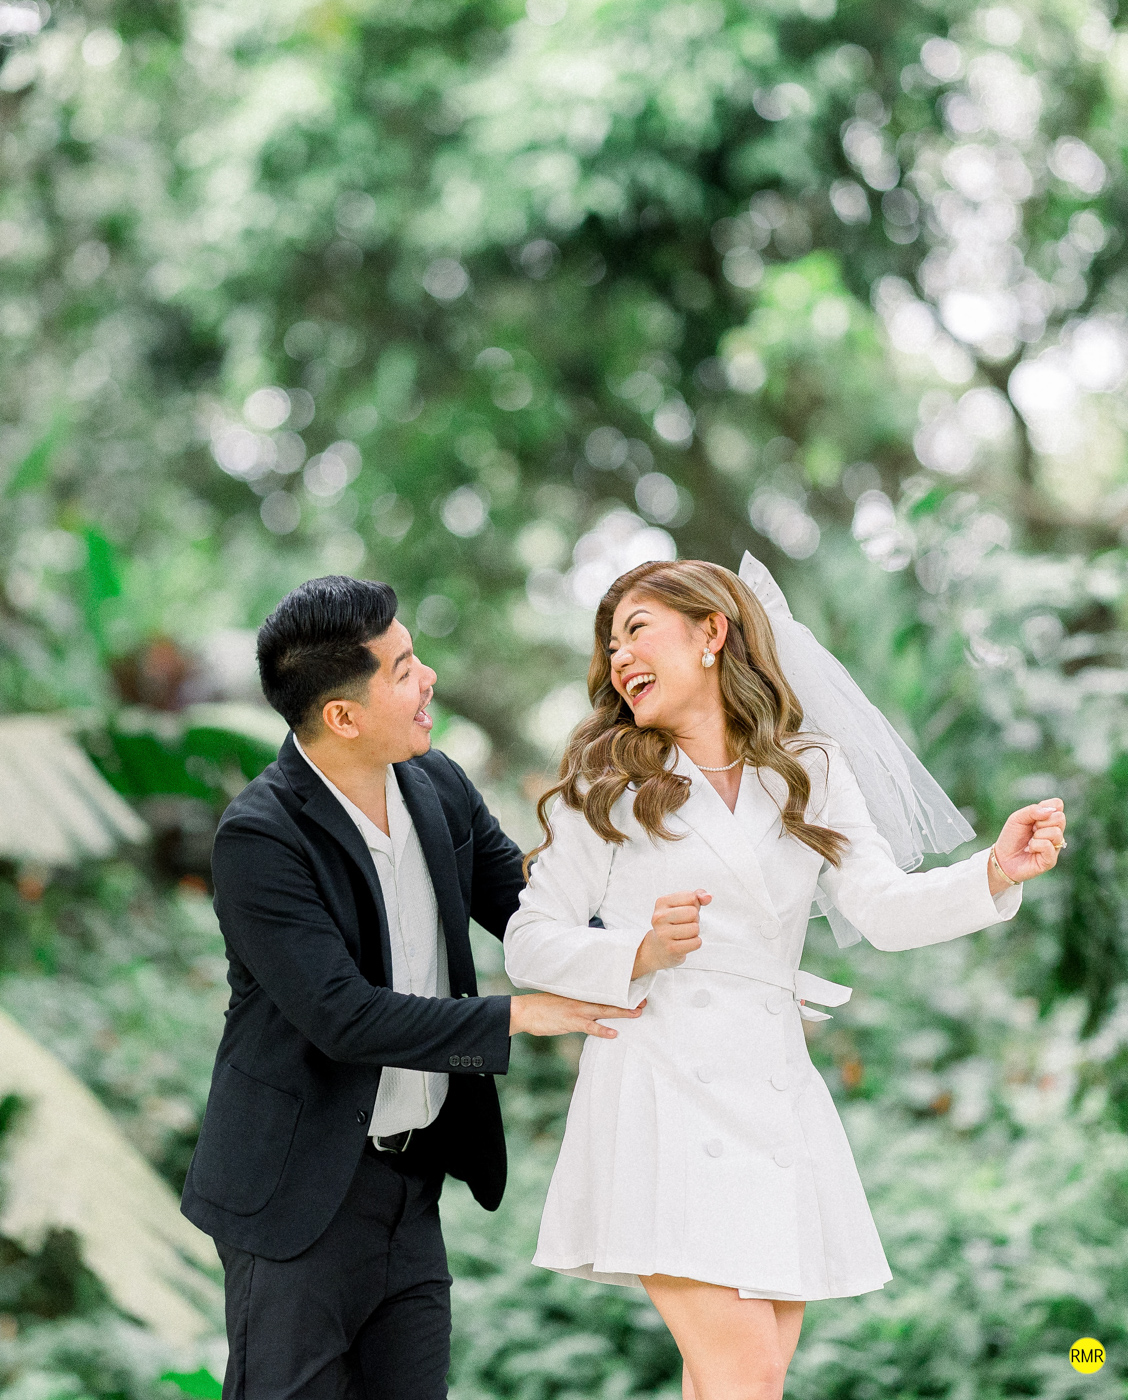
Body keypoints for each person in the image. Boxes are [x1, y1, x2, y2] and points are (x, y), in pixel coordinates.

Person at [503, 557, 1067, 1400]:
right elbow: (529, 942)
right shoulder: (608, 783)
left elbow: (881, 909)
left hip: (773, 1096)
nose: (618, 657)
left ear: (711, 633)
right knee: (747, 1375)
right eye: (610, 644)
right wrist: (639, 953)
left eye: (636, 630)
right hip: (658, 1086)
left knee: (734, 1381)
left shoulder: (809, 768)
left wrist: (993, 871)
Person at [181, 575, 642, 1400]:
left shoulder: (438, 786)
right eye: (402, 669)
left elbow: (532, 913)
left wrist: (641, 955)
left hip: (411, 1184)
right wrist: (518, 1017)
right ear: (343, 716)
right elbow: (343, 1017)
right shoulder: (260, 837)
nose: (427, 678)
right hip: (295, 1195)